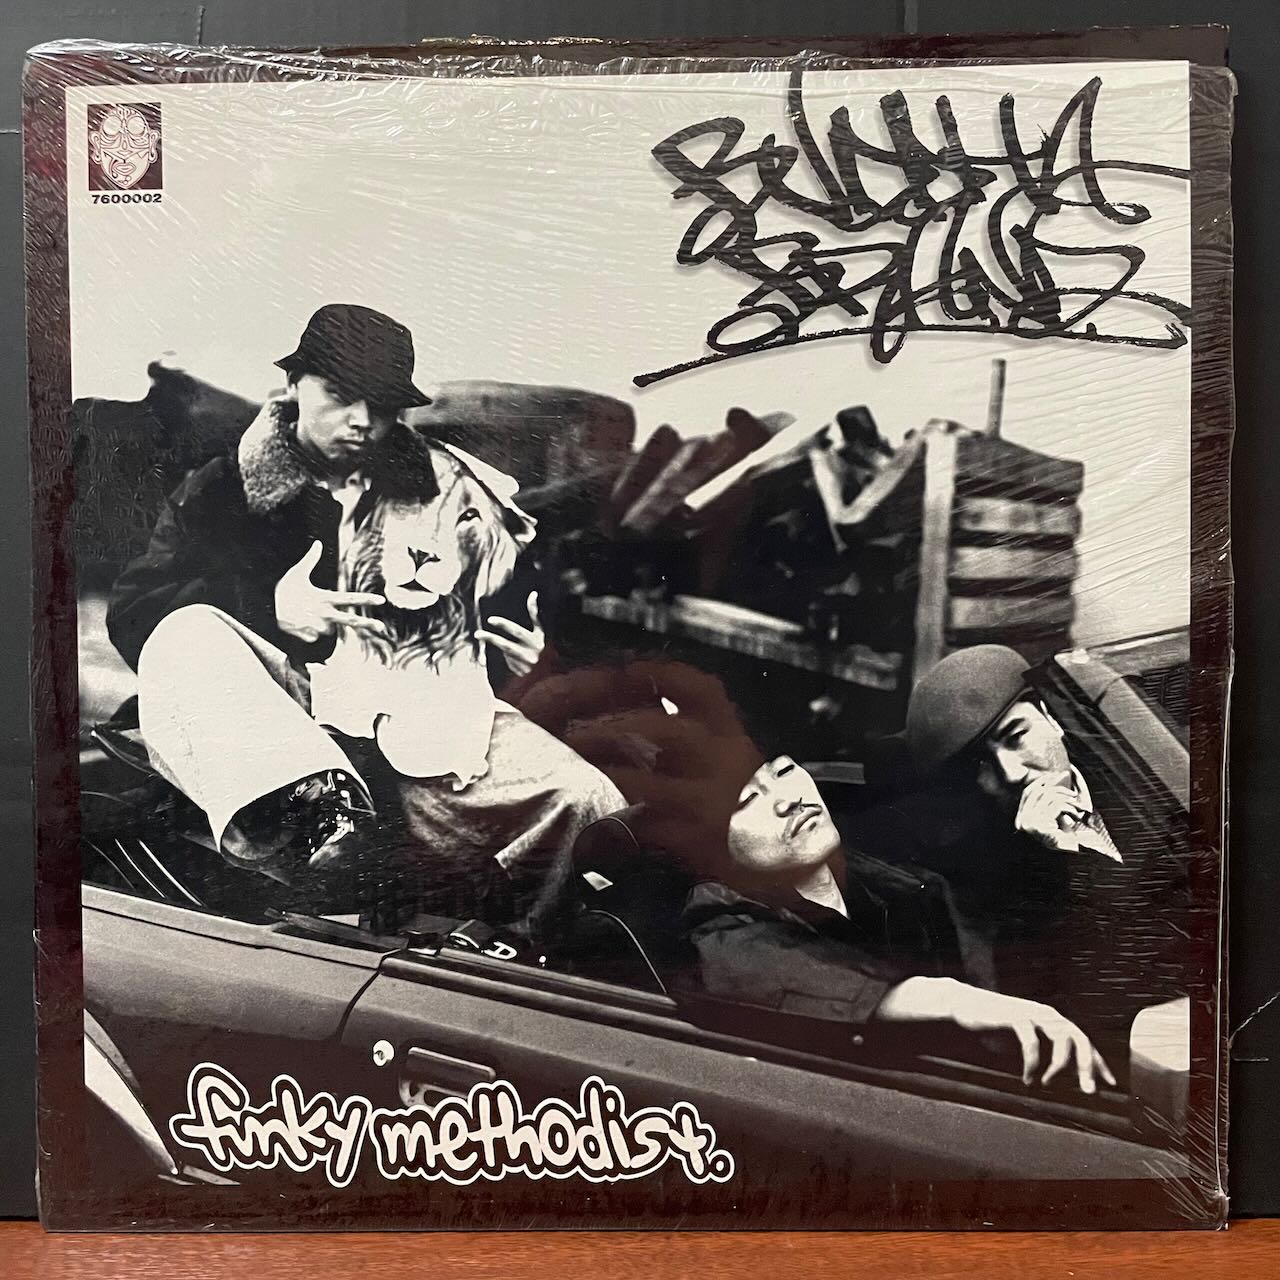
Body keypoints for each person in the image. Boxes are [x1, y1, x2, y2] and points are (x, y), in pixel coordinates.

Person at [106, 304, 622, 916]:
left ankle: (532, 950)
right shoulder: (223, 488)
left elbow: (499, 621)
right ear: (294, 384)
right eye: (340, 395)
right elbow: (134, 614)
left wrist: (535, 666)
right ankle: (324, 825)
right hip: (280, 730)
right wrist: (270, 611)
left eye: (381, 406)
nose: (361, 421)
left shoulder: (451, 491)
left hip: (423, 738)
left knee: (588, 800)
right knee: (189, 631)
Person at [680, 753, 1116, 1095]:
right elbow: (780, 968)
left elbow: (995, 960)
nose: (786, 799)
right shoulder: (719, 925)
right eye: (747, 800)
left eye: (784, 771)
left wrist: (1051, 853)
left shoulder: (896, 881)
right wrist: (955, 1000)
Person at [894, 643, 1189, 1062]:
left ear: (1050, 717)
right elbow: (1098, 1007)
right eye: (981, 766)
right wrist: (1063, 854)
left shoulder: (1140, 763)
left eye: (1016, 737)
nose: (1011, 772)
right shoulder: (999, 880)